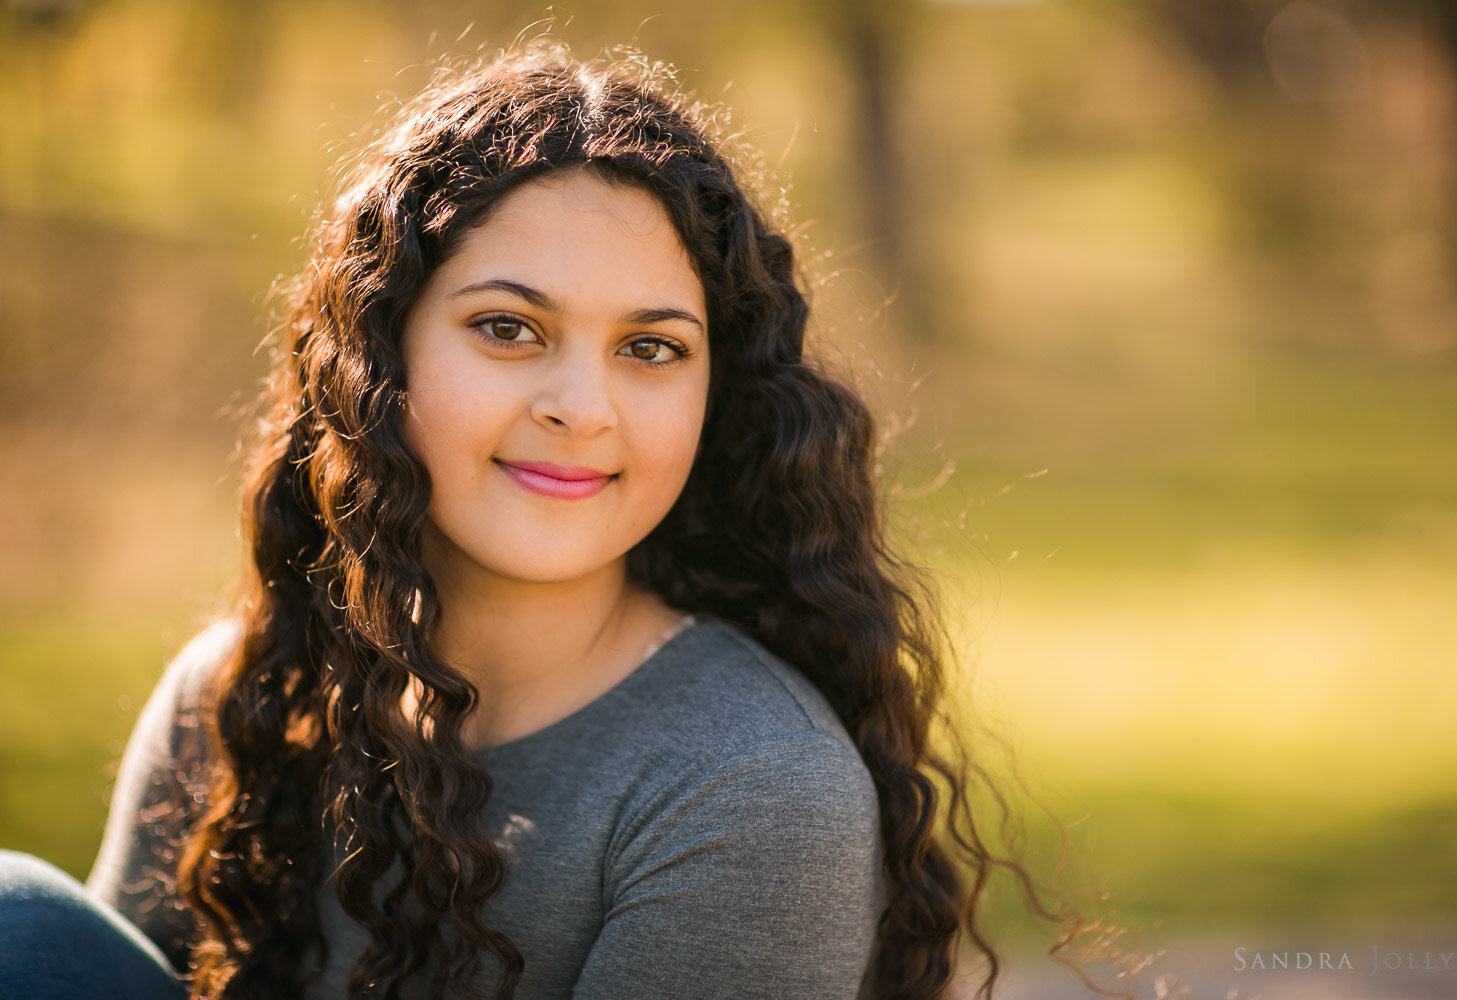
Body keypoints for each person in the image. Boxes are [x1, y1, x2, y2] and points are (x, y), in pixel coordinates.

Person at [0, 41, 1071, 1000]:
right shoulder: (243, 696)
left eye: (650, 348)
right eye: (509, 328)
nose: (581, 406)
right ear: (382, 358)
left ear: (717, 396)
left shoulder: (751, 788)